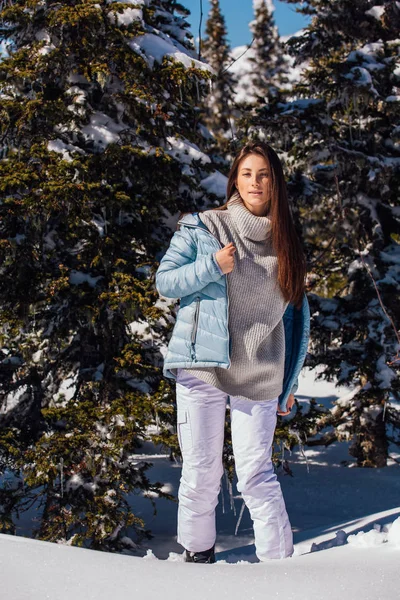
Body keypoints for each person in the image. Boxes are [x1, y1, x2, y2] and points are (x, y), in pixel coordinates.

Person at [155, 141, 310, 564]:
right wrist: (210, 266)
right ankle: (197, 559)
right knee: (202, 473)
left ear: (275, 182)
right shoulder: (204, 227)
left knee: (257, 476)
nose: (255, 182)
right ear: (235, 180)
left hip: (260, 372)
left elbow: (294, 321)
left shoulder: (287, 244)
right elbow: (165, 282)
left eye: (263, 174)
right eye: (247, 174)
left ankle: (280, 569)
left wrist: (290, 382)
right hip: (201, 366)